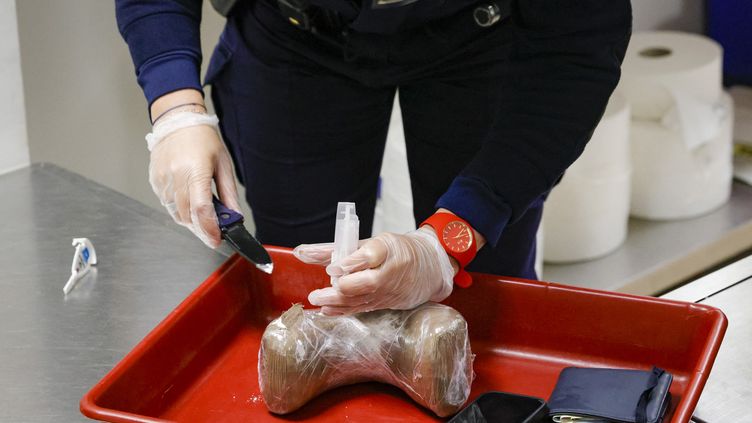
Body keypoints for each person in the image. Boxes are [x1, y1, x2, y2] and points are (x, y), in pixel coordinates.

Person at [116, 0, 631, 315]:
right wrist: (175, 106)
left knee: (482, 294)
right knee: (303, 292)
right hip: (293, 32)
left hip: (480, 34)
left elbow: (577, 50)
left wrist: (454, 235)